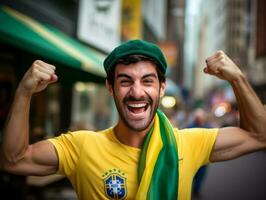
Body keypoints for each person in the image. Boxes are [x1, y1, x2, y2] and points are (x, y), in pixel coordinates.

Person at [1, 40, 266, 200]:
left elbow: (260, 135)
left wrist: (238, 79)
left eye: (147, 81)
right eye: (125, 81)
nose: (137, 92)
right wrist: (24, 92)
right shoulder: (81, 147)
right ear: (110, 88)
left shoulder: (188, 143)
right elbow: (13, 160)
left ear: (161, 88)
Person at [186, 108, 213, 197]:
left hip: (204, 156)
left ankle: (196, 190)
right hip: (192, 156)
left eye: (200, 117)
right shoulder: (190, 127)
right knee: (191, 174)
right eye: (197, 117)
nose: (199, 119)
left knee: (201, 175)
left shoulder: (209, 127)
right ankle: (189, 189)